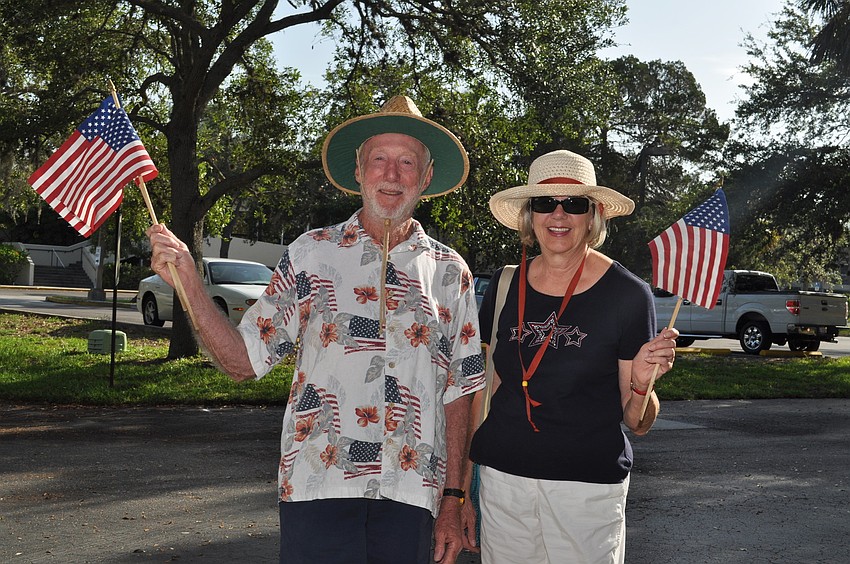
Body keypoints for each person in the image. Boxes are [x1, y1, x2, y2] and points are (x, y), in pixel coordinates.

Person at [146, 95, 485, 564]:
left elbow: (461, 393)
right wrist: (188, 279)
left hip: (413, 495)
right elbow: (243, 360)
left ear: (425, 178)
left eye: (407, 162)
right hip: (317, 485)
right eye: (379, 160)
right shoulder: (312, 254)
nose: (392, 174)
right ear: (359, 171)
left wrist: (455, 497)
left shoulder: (451, 272)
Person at [461, 149, 679, 563]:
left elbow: (638, 421)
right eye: (545, 203)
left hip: (586, 492)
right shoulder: (505, 285)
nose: (558, 215)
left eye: (574, 204)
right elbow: (488, 387)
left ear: (593, 215)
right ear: (529, 214)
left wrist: (641, 384)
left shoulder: (628, 295)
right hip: (503, 481)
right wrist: (463, 486)